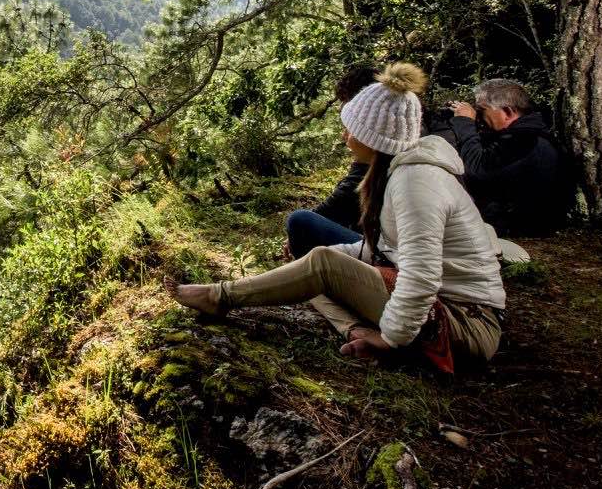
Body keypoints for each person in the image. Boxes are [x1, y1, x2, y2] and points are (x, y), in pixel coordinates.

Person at [176, 63, 507, 369]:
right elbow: (381, 251)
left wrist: (391, 338)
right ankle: (356, 333)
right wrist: (316, 264)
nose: (344, 136)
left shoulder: (415, 182)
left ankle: (219, 297)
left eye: (350, 129)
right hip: (448, 311)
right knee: (310, 271)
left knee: (319, 263)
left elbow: (422, 276)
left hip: (466, 322)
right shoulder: (392, 175)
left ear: (370, 136)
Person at [436, 78, 572, 237]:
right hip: (523, 221)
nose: (478, 117)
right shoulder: (531, 134)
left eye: (481, 111)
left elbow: (477, 169)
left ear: (507, 112)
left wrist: (464, 122)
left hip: (522, 226)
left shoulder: (526, 139)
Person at [282, 64, 382, 259]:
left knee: (301, 222)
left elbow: (346, 197)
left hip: (393, 263)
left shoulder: (392, 154)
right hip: (383, 249)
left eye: (350, 126)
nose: (345, 135)